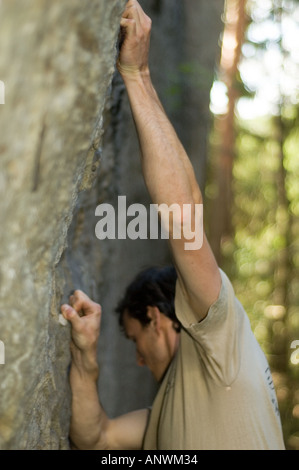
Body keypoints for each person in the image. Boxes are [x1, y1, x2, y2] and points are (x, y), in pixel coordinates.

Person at [61, 0, 285, 450]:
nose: (139, 360)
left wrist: (138, 76)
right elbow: (95, 438)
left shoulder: (222, 342)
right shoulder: (166, 413)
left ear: (161, 320)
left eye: (133, 338)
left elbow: (185, 216)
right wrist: (85, 358)